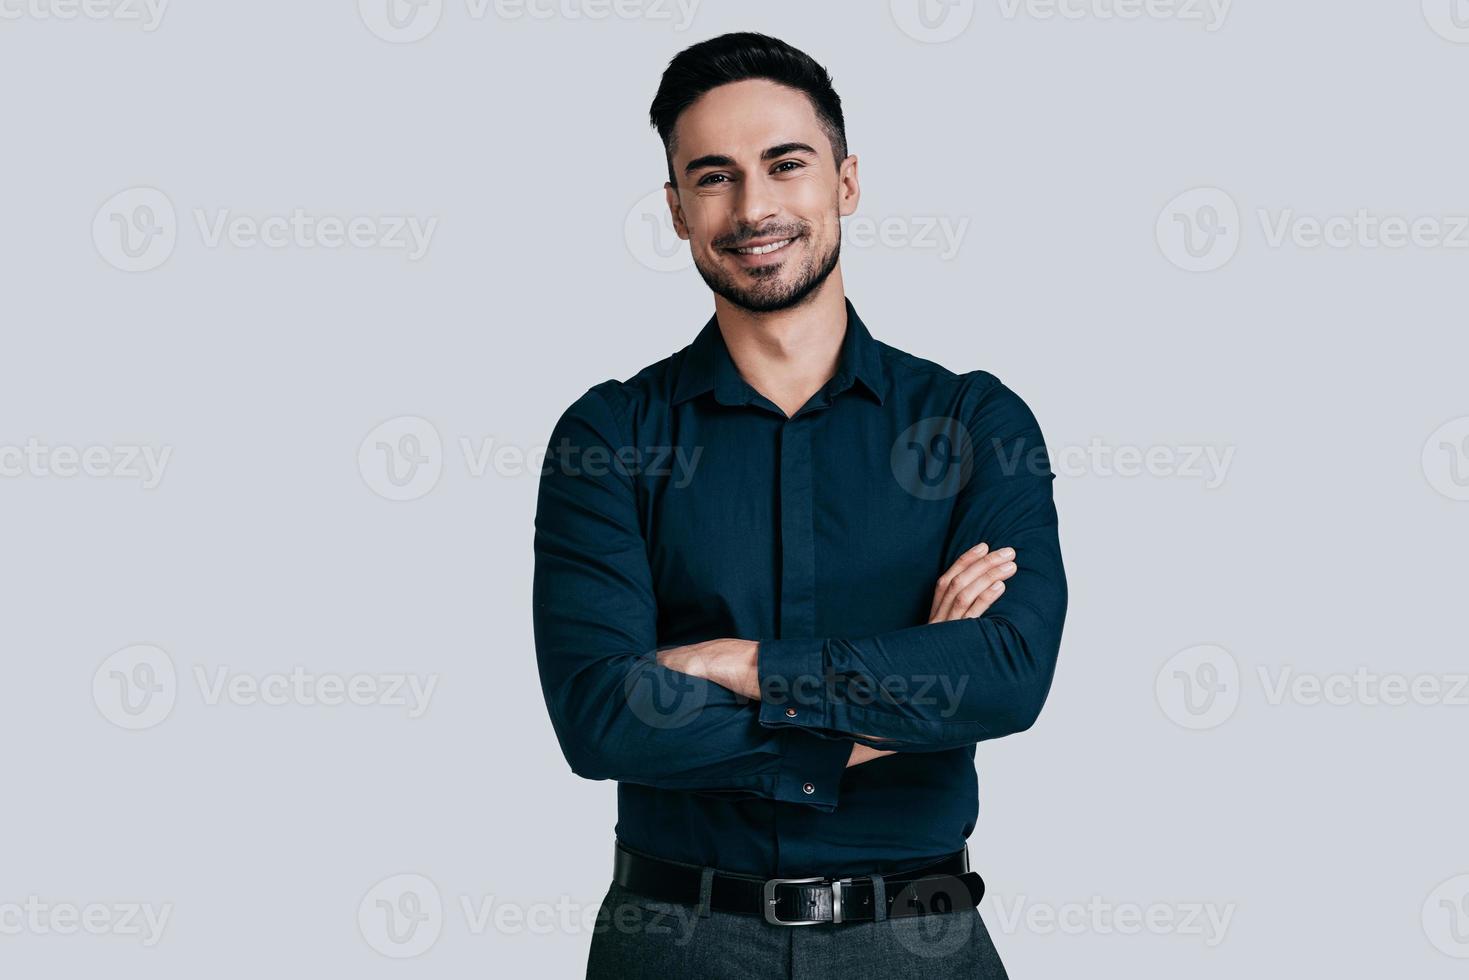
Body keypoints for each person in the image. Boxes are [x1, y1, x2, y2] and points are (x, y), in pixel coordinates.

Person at [532, 31, 1068, 979]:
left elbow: (1006, 675)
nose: (754, 208)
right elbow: (600, 719)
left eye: (786, 165)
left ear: (846, 182)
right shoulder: (608, 434)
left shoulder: (974, 420)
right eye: (714, 177)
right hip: (676, 942)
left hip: (919, 943)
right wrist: (889, 713)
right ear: (674, 209)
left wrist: (742, 666)